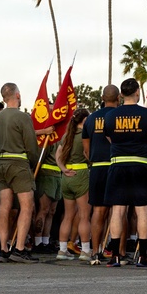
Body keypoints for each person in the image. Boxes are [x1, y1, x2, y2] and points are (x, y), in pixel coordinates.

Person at [102, 78, 147, 267]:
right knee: (142, 211)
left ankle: (115, 255)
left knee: (117, 211)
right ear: (137, 92)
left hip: (118, 164)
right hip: (141, 163)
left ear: (121, 95)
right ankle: (142, 256)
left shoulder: (111, 115)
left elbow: (109, 136)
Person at [0, 82, 41, 263]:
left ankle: (3, 248)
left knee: (5, 206)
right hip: (18, 163)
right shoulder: (22, 117)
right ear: (17, 96)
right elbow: (31, 146)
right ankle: (19, 248)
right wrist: (33, 162)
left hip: (0, 163)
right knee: (27, 206)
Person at [83, 85, 120, 265]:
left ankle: (95, 251)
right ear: (118, 98)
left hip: (97, 167)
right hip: (116, 165)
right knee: (118, 210)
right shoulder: (120, 116)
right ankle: (118, 252)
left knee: (98, 210)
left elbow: (86, 149)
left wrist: (93, 157)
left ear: (102, 98)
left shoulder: (91, 119)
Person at [55, 107, 92, 261]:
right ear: (85, 120)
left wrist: (63, 169)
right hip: (81, 175)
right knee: (84, 216)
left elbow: (58, 155)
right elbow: (87, 154)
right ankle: (85, 251)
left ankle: (62, 250)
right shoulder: (85, 136)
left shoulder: (67, 136)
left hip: (67, 177)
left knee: (68, 216)